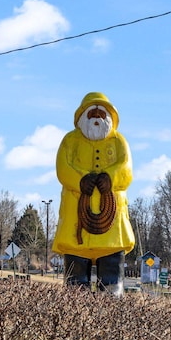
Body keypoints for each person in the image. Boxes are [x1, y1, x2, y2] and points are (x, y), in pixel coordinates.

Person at [52, 92, 135, 295]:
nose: (97, 119)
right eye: (92, 114)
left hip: (112, 229)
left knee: (112, 284)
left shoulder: (118, 141)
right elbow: (62, 168)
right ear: (82, 116)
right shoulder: (70, 141)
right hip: (76, 225)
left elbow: (127, 168)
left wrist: (110, 177)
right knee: (75, 285)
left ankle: (111, 305)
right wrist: (80, 180)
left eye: (101, 114)